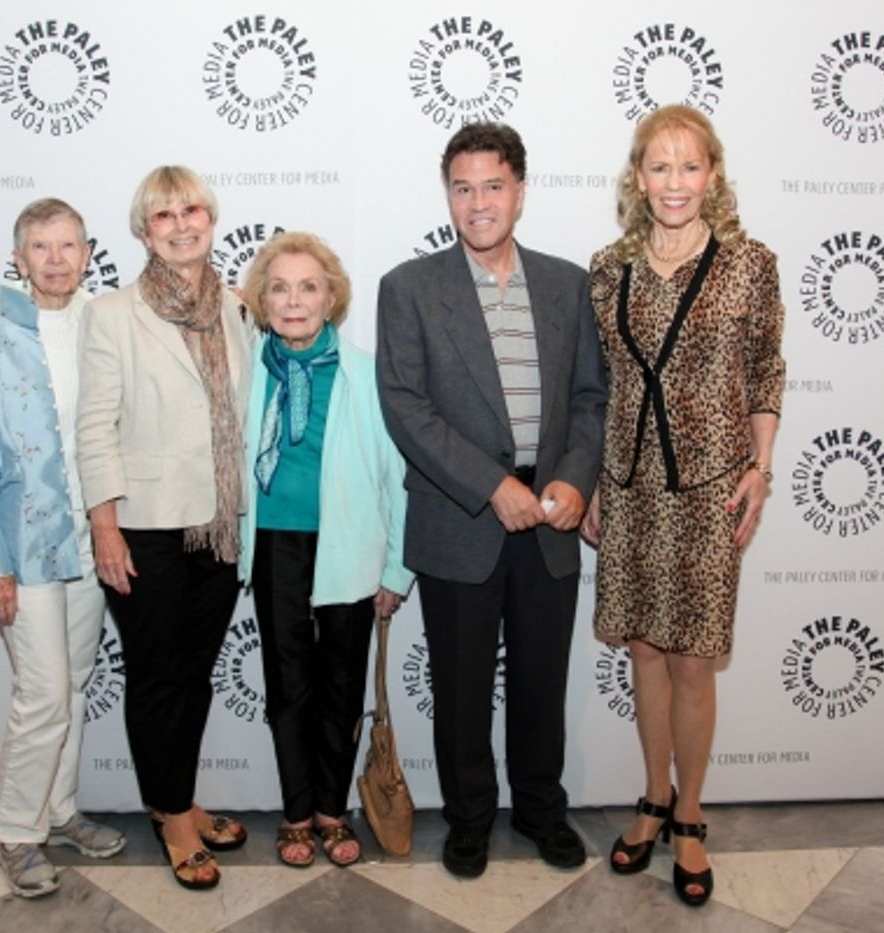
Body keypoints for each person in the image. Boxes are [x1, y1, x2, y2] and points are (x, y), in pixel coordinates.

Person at [376, 123, 608, 878]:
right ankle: (469, 818)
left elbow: (589, 397)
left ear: (520, 190)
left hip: (551, 519)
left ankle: (541, 806)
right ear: (448, 194)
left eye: (494, 185)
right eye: (463, 187)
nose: (479, 203)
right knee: (462, 686)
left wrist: (573, 477)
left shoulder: (568, 283)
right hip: (460, 517)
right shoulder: (409, 287)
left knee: (543, 682)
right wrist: (493, 485)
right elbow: (407, 409)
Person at [583, 104, 785, 908]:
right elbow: (598, 388)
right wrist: (594, 476)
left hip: (707, 488)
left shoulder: (748, 263)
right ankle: (653, 795)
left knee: (694, 658)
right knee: (644, 652)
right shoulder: (608, 268)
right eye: (659, 166)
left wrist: (761, 467)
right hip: (628, 488)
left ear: (713, 173)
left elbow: (767, 369)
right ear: (639, 176)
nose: (674, 182)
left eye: (689, 165)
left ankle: (691, 811)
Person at [76, 166, 253, 891]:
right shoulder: (113, 314)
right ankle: (172, 817)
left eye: (192, 211)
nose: (181, 225)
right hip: (144, 526)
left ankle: (177, 793)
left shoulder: (240, 307)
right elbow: (94, 428)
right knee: (157, 679)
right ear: (143, 231)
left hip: (219, 524)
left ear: (211, 219)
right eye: (162, 217)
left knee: (196, 676)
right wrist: (104, 529)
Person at [0, 197, 126, 898]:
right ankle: (17, 833)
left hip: (91, 540)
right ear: (19, 259)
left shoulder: (103, 325)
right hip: (23, 550)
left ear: (88, 253)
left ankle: (59, 812)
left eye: (69, 246)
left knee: (75, 685)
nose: (56, 260)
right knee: (44, 691)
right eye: (41, 248)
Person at [237, 232, 414, 868]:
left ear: (331, 296)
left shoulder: (367, 372)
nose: (293, 300)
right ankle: (294, 813)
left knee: (341, 685)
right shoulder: (245, 368)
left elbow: (399, 474)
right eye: (278, 287)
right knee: (287, 685)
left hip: (352, 547)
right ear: (261, 299)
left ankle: (332, 812)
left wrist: (397, 567)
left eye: (308, 286)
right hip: (275, 544)